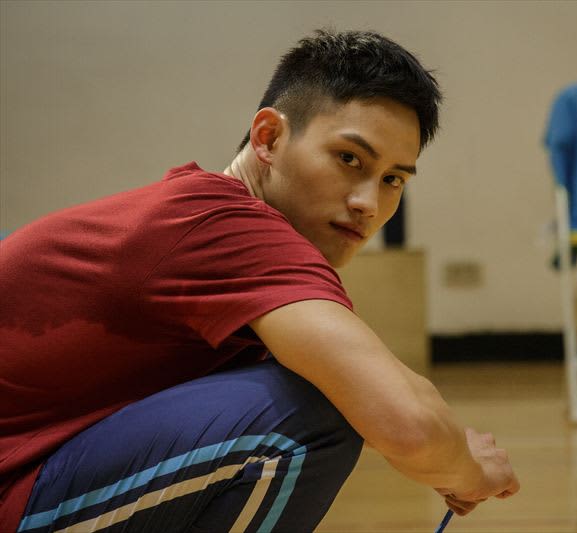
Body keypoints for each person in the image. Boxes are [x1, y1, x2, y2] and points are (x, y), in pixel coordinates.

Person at [0, 29, 519, 532]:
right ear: (268, 137)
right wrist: (470, 470)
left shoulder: (200, 216)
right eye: (349, 159)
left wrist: (449, 450)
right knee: (309, 416)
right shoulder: (227, 228)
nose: (368, 202)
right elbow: (410, 427)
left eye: (392, 179)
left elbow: (400, 409)